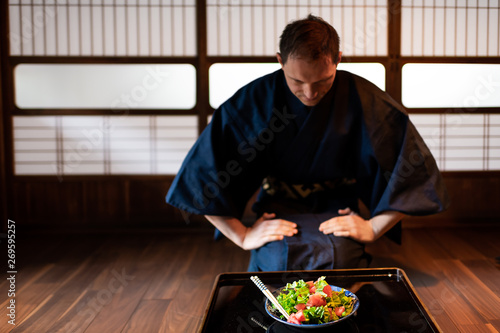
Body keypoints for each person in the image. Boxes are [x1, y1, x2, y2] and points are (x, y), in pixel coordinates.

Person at [166, 14, 449, 271]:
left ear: (338, 58)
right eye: (297, 81)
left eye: (323, 81)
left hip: (337, 205)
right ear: (280, 60)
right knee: (279, 262)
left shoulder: (364, 98)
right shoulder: (255, 100)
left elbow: (413, 169)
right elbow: (200, 175)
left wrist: (373, 228)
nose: (310, 93)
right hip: (278, 205)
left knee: (338, 261)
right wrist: (242, 235)